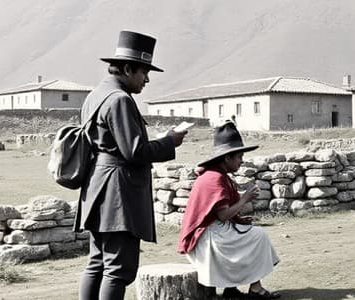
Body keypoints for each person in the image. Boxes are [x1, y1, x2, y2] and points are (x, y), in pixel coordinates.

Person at [75, 30, 187, 300]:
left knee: (98, 263)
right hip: (118, 194)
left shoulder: (96, 95)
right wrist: (170, 141)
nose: (147, 79)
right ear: (127, 68)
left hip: (98, 188)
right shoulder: (120, 100)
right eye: (143, 72)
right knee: (117, 270)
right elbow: (134, 151)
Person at [178, 121, 281, 300]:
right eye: (239, 156)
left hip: (214, 230)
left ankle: (231, 289)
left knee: (251, 234)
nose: (242, 161)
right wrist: (245, 199)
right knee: (258, 236)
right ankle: (255, 289)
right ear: (227, 158)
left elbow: (223, 210)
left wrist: (239, 219)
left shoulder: (217, 175)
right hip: (207, 237)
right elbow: (223, 214)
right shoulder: (214, 178)